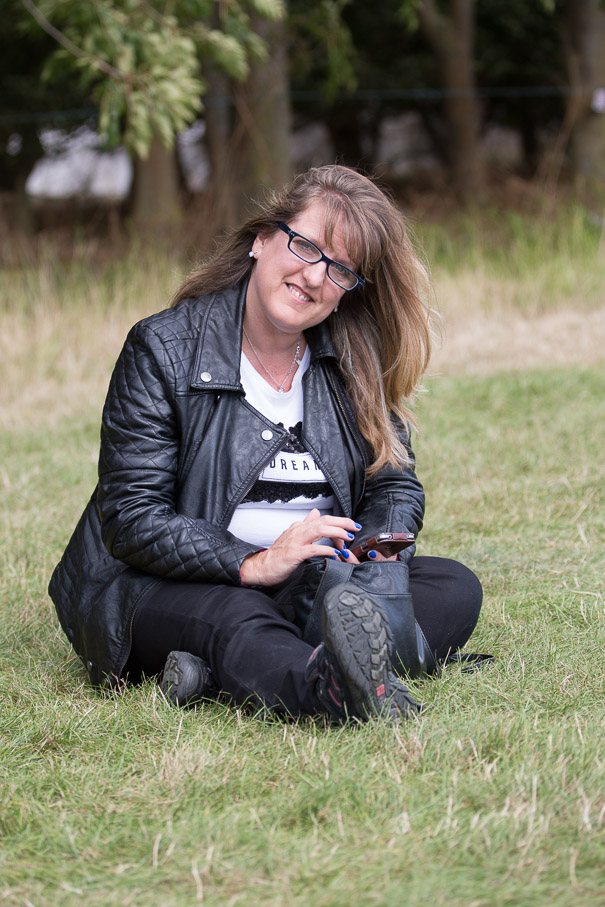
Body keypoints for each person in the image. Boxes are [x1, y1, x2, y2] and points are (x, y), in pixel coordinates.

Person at [49, 164, 483, 724]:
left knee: (453, 585)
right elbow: (131, 519)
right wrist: (255, 562)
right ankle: (328, 690)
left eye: (340, 269)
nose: (315, 276)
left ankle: (226, 672)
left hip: (312, 580)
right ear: (261, 239)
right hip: (177, 584)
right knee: (235, 616)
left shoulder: (354, 358)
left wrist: (373, 550)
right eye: (306, 246)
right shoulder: (163, 347)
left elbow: (393, 482)